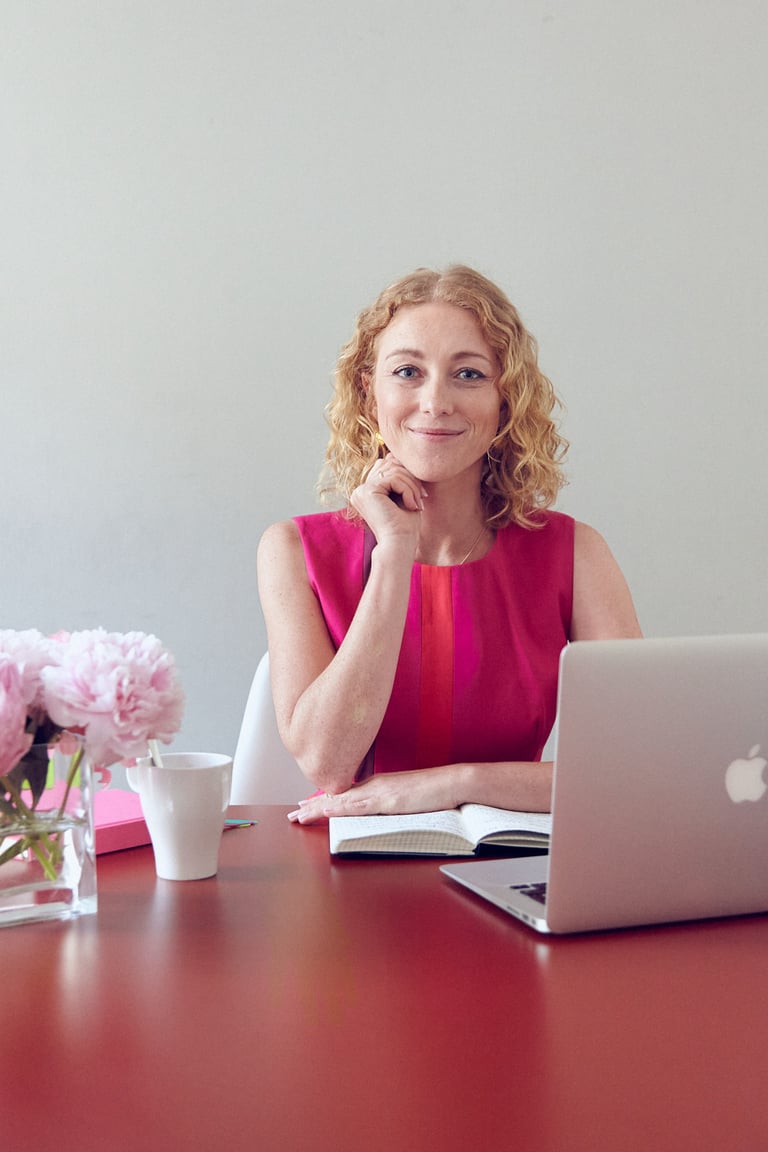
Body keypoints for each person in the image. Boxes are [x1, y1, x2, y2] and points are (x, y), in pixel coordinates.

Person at [257, 265, 641, 824]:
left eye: (469, 374)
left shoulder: (575, 553)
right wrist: (392, 555)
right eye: (408, 371)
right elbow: (328, 763)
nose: (436, 402)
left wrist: (454, 785)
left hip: (515, 862)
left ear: (505, 398)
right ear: (370, 392)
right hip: (350, 875)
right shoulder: (292, 550)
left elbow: (630, 767)